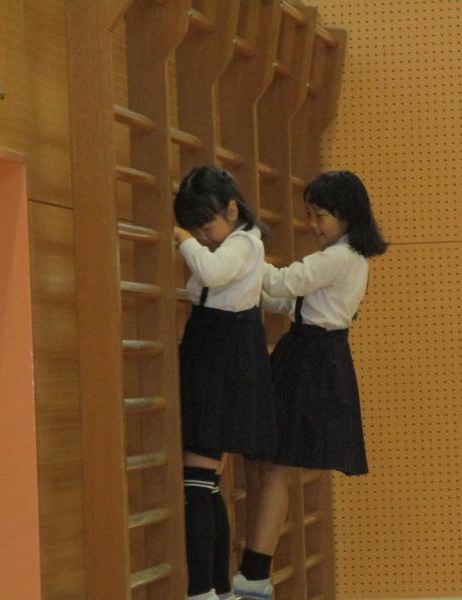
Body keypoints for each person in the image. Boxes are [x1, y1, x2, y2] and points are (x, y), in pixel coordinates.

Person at [234, 171, 388, 600]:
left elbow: (284, 282)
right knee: (269, 462)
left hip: (310, 360)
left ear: (346, 214)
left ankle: (254, 572)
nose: (312, 224)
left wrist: (243, 252)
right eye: (310, 215)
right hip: (308, 354)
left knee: (277, 464)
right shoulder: (345, 258)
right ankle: (254, 569)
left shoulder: (339, 257)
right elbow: (288, 300)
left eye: (320, 215)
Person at [174, 165, 275, 600]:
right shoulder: (238, 242)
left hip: (220, 356)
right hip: (217, 350)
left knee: (198, 478)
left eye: (206, 226)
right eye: (195, 229)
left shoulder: (244, 243)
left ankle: (203, 589)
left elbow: (212, 274)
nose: (203, 237)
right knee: (205, 480)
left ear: (232, 211)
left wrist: (182, 239)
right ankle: (216, 588)